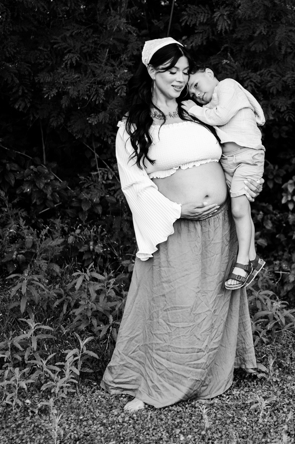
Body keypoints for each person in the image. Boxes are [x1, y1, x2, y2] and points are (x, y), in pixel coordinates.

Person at [102, 37, 259, 412]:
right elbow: (133, 182)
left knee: (211, 302)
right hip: (176, 226)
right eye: (172, 71)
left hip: (218, 225)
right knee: (176, 306)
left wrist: (246, 178)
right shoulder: (132, 127)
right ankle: (161, 381)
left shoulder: (195, 113)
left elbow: (239, 137)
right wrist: (176, 211)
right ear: (152, 72)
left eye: (185, 71)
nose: (180, 78)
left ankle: (207, 374)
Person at [183, 67, 266, 290]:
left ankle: (242, 263)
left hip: (248, 156)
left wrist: (193, 109)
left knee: (239, 209)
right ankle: (253, 258)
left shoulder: (227, 85)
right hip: (229, 161)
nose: (196, 94)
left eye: (196, 85)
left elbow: (222, 116)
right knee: (241, 210)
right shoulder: (207, 106)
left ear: (209, 73)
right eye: (191, 93)